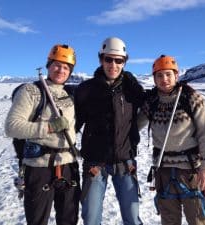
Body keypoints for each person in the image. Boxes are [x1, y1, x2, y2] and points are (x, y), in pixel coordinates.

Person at [5, 44, 80, 225]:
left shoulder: (70, 94)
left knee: (69, 220)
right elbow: (12, 126)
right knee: (37, 220)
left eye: (66, 67)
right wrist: (49, 127)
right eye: (57, 64)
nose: (61, 70)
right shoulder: (31, 91)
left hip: (68, 165)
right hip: (39, 166)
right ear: (48, 65)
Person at [74, 37, 144, 225]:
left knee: (132, 217)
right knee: (91, 217)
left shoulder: (132, 89)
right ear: (101, 59)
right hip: (95, 163)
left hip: (125, 161)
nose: (113, 64)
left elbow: (153, 104)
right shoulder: (86, 90)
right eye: (108, 59)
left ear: (124, 62)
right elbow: (73, 123)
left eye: (118, 60)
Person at [138, 55, 205, 225]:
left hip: (190, 170)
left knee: (197, 219)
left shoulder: (191, 98)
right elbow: (134, 127)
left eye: (168, 74)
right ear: (154, 78)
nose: (164, 79)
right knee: (169, 220)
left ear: (176, 75)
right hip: (163, 170)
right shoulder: (151, 102)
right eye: (159, 75)